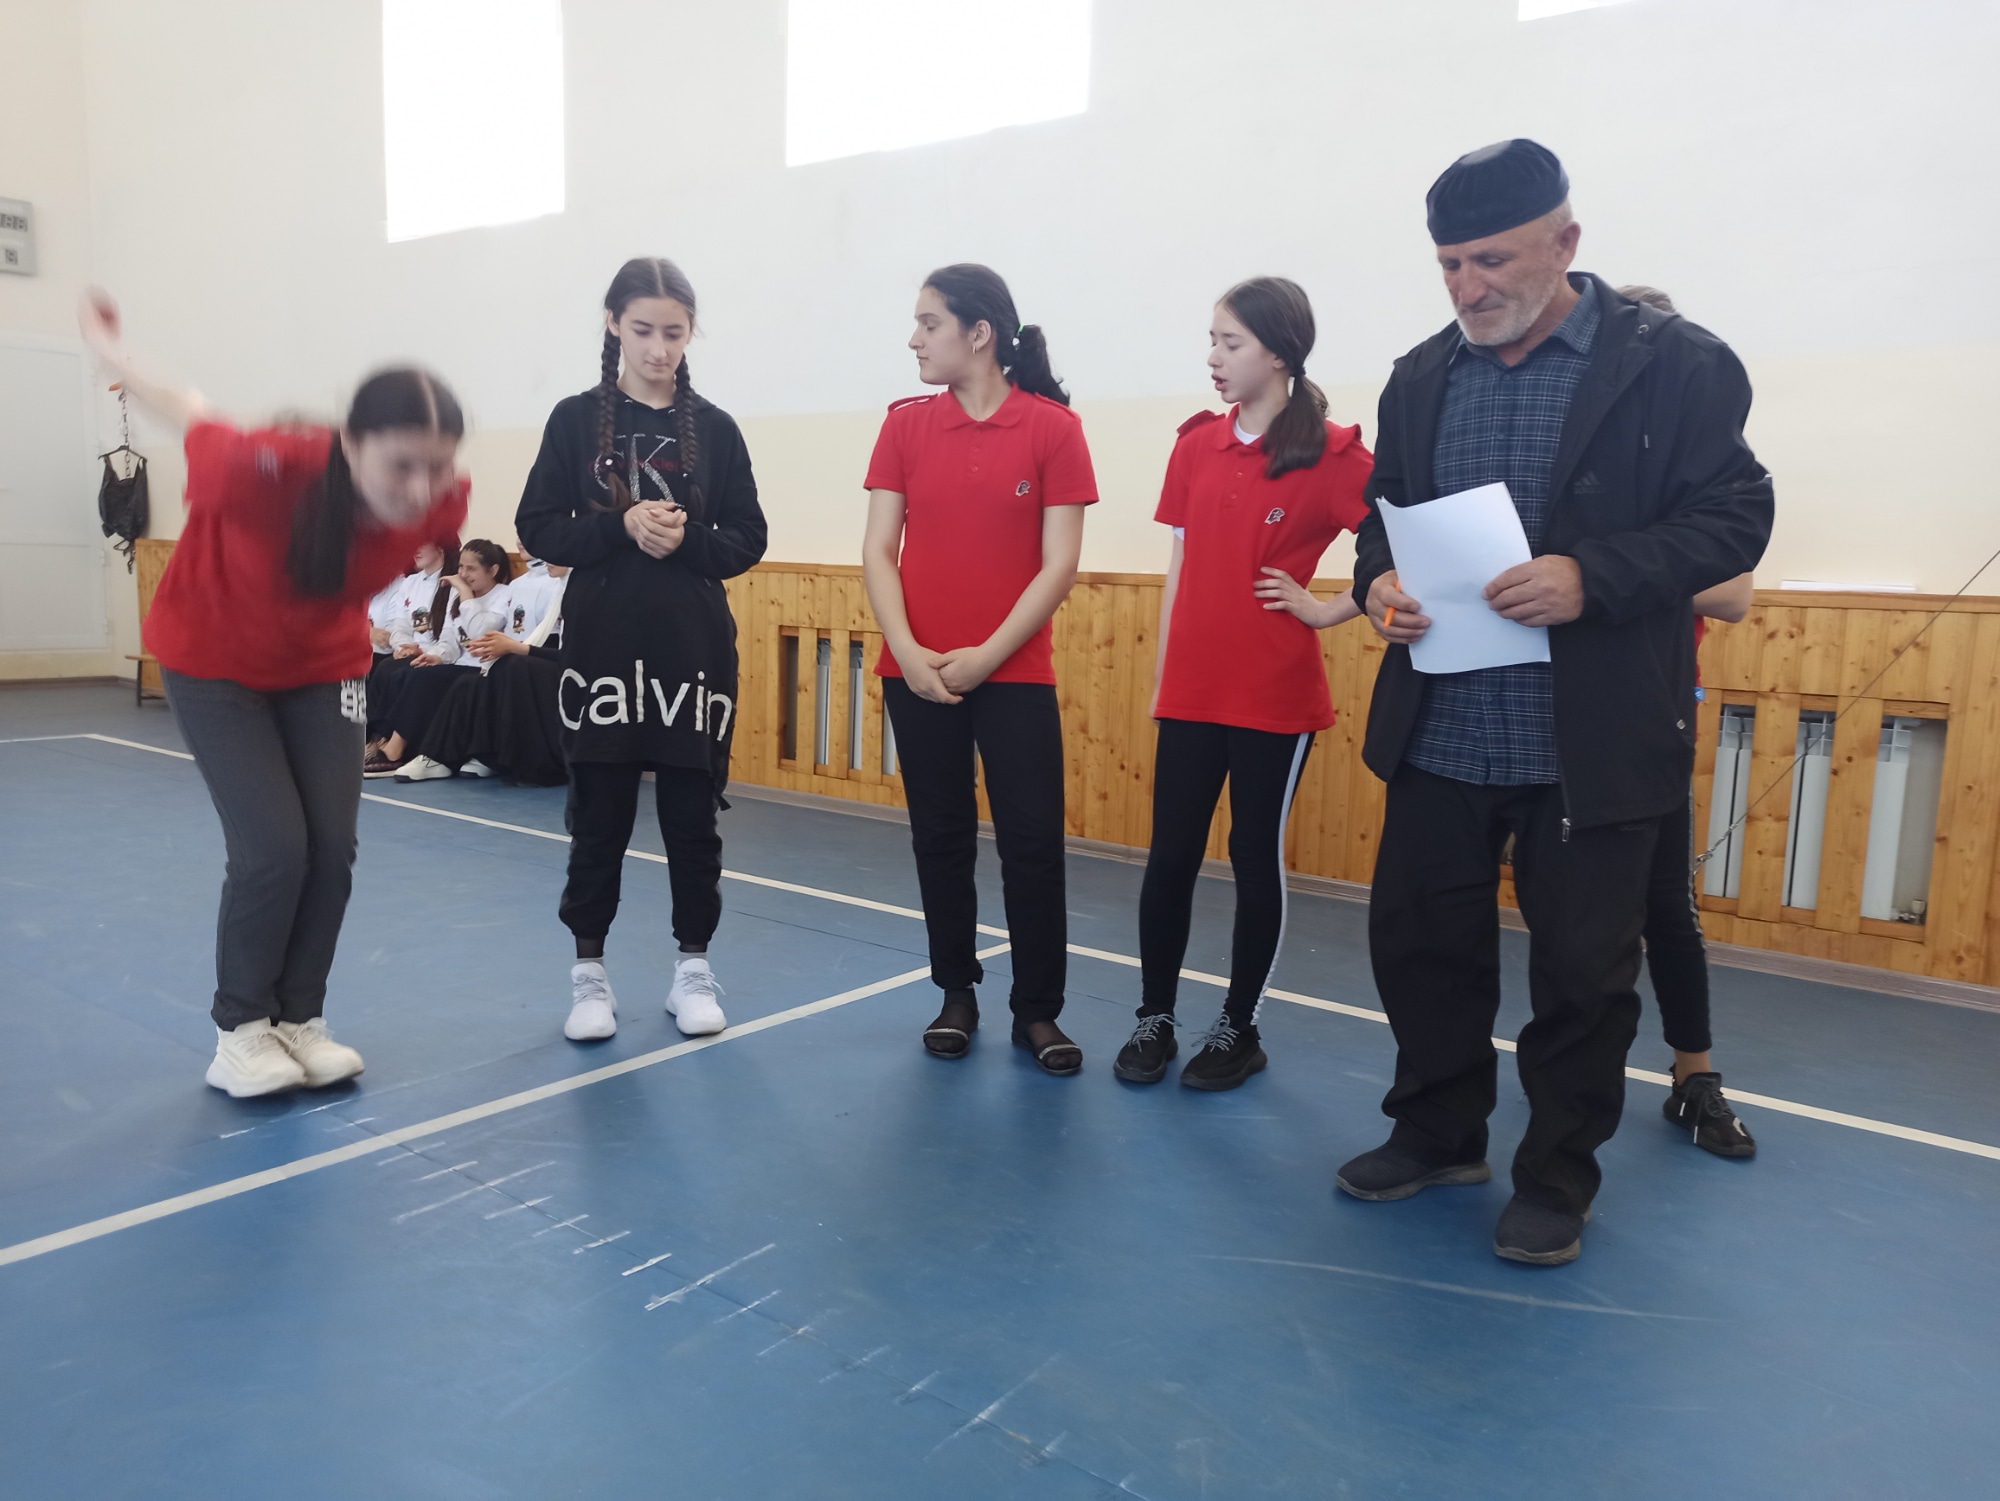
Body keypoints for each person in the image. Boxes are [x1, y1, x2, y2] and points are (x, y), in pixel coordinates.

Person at [1336, 141, 1774, 1265]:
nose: (1467, 286)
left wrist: (1593, 576)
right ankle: (1436, 1132)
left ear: (1565, 242)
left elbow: (1734, 518)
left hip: (1589, 739)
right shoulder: (1419, 375)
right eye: (1448, 264)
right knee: (1420, 949)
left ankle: (1557, 1176)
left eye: (1491, 260)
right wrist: (1376, 584)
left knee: (1582, 976)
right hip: (1442, 725)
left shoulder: (1674, 364)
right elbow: (1382, 517)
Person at [78, 289, 468, 1098]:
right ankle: (241, 1031)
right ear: (350, 444)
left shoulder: (441, 498)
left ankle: (299, 1020)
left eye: (437, 465)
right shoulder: (258, 467)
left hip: (323, 668)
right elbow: (189, 406)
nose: (420, 485)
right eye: (401, 464)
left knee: (332, 848)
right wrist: (111, 355)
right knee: (272, 848)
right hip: (213, 661)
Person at [1113, 277, 1372, 1091]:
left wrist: (1326, 609)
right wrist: (1165, 673)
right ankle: (1154, 1016)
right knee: (1171, 856)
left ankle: (1239, 1027)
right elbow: (1181, 563)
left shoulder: (1334, 454)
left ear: (1280, 353)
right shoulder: (1195, 444)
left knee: (1253, 856)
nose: (1214, 357)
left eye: (1231, 342)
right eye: (1213, 340)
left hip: (1273, 696)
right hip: (1193, 690)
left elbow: (1400, 545)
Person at [516, 257, 768, 1043]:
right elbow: (537, 525)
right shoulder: (573, 420)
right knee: (599, 818)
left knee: (693, 821)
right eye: (643, 330)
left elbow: (748, 537)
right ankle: (588, 976)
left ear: (691, 334)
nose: (659, 348)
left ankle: (693, 967)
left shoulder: (717, 429)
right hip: (602, 652)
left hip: (692, 656)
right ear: (613, 325)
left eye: (675, 333)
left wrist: (688, 539)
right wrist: (618, 526)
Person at [860, 264, 1097, 1075]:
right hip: (917, 669)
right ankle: (955, 992)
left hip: (1015, 672)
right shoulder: (903, 426)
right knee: (941, 836)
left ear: (980, 333)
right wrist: (909, 652)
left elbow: (1059, 564)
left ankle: (1038, 1010)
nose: (915, 339)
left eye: (929, 323)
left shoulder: (1054, 429)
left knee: (1031, 841)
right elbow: (878, 550)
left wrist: (988, 655)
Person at [396, 563, 570, 786]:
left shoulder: (573, 592)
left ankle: (505, 758)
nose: (548, 560)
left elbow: (574, 654)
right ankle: (440, 757)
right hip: (537, 658)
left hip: (574, 671)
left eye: (471, 568)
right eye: (461, 567)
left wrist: (515, 648)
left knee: (512, 666)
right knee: (469, 683)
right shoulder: (557, 588)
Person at [363, 540, 513, 776]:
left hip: (483, 667)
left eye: (471, 569)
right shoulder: (459, 597)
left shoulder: (503, 596)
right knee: (397, 669)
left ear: (492, 570)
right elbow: (449, 641)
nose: (463, 574)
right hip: (458, 663)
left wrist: (464, 594)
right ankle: (379, 738)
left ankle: (395, 751)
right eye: (461, 567)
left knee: (421, 680)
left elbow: (479, 631)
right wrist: (434, 656)